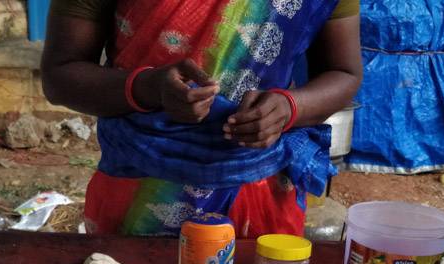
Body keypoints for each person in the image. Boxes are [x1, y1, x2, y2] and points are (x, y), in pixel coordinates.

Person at [41, 0, 361, 237]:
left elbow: (344, 72)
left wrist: (289, 108)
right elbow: (60, 74)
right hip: (137, 193)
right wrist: (147, 88)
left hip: (262, 197)